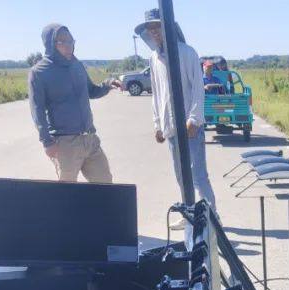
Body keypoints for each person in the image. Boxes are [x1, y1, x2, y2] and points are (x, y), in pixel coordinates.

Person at [135, 10, 216, 208]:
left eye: (158, 26)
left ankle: (212, 217)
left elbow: (198, 88)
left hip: (190, 128)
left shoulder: (187, 53)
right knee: (180, 175)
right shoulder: (154, 58)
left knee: (197, 176)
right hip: (170, 127)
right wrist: (157, 124)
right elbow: (157, 93)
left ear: (168, 26)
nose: (154, 31)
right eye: (150, 28)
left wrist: (194, 119)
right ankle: (189, 211)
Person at [27, 23, 121, 183]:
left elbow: (91, 90)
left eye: (71, 41)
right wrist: (46, 141)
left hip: (89, 138)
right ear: (50, 44)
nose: (69, 46)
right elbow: (37, 110)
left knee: (105, 184)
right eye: (62, 42)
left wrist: (108, 84)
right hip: (65, 144)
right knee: (67, 193)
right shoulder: (39, 72)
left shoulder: (77, 66)